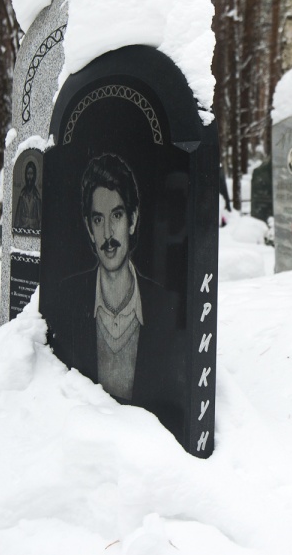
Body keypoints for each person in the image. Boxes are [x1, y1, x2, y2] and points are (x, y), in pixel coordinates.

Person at [57, 153, 181, 427]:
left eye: (117, 215)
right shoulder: (69, 298)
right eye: (98, 220)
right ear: (89, 229)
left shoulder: (163, 306)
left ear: (133, 220)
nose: (108, 233)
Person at [13, 159, 42, 230]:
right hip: (23, 227)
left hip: (34, 228)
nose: (29, 177)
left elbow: (40, 218)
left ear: (34, 175)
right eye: (28, 174)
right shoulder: (22, 194)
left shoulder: (37, 195)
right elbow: (17, 217)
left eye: (31, 174)